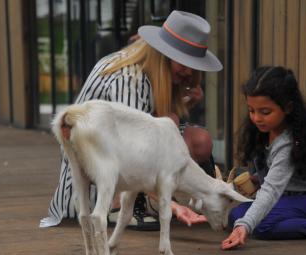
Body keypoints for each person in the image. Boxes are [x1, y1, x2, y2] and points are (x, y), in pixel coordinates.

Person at [40, 10, 223, 230]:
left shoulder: (150, 70)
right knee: (170, 125)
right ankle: (120, 208)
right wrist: (172, 207)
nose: (188, 71)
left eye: (192, 65)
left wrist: (186, 103)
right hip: (94, 179)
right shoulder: (129, 80)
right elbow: (126, 149)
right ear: (163, 54)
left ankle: (169, 199)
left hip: (113, 158)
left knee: (197, 138)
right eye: (183, 63)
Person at [222, 66, 306, 250]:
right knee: (236, 215)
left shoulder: (288, 143)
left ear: (287, 107)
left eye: (265, 112)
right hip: (288, 197)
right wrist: (256, 180)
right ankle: (290, 220)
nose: (256, 118)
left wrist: (246, 225)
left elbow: (271, 190)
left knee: (260, 225)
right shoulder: (263, 131)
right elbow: (272, 179)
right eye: (251, 110)